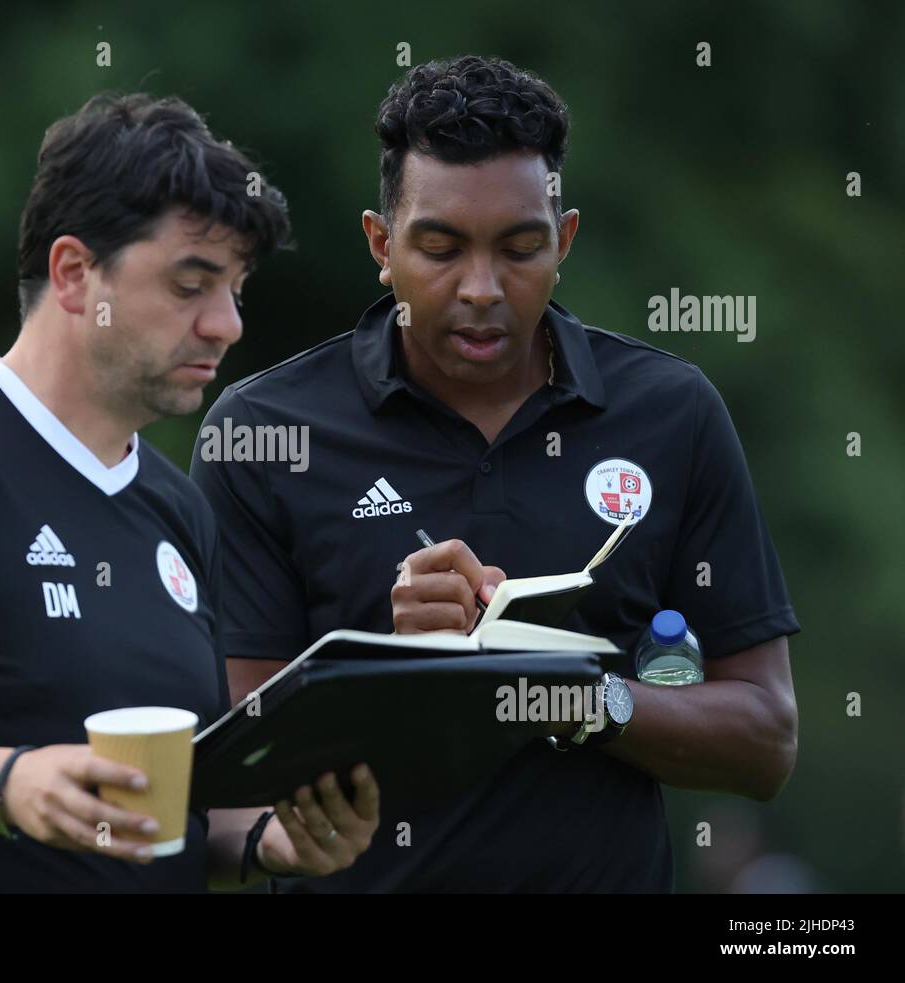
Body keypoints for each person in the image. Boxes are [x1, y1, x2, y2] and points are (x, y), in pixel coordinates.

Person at [189, 55, 799, 892]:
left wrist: (576, 697)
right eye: (439, 248)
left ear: (565, 240)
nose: (481, 288)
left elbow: (767, 740)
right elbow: (228, 797)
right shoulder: (264, 432)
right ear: (381, 243)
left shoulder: (672, 412)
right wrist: (396, 672)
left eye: (520, 249)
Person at [0, 92, 379, 892]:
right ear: (77, 274)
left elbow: (177, 814)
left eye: (237, 289)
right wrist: (8, 784)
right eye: (192, 284)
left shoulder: (178, 507)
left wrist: (267, 839)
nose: (227, 324)